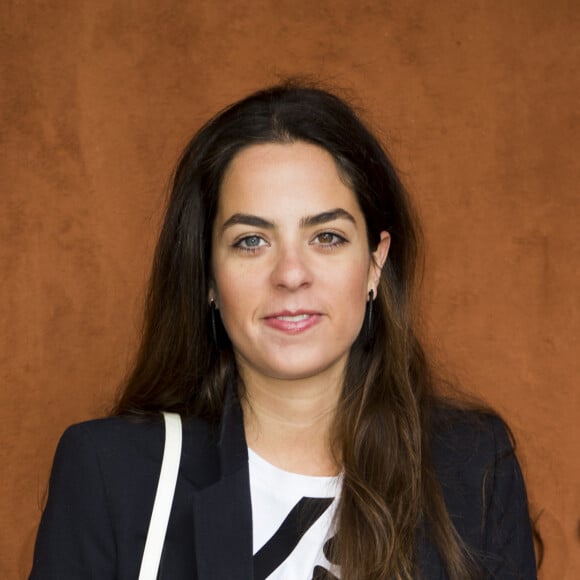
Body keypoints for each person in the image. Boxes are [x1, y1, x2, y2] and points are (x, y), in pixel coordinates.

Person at [30, 82, 537, 579]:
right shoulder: (113, 474)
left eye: (327, 237)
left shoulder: (473, 471)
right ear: (207, 274)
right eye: (251, 241)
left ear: (376, 263)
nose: (291, 274)